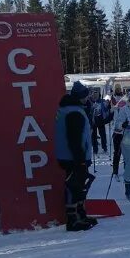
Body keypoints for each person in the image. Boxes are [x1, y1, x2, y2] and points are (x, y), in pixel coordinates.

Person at [54, 81, 97, 231]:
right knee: (74, 186)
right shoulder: (74, 112)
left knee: (79, 186)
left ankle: (81, 214)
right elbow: (75, 139)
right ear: (80, 97)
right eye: (85, 96)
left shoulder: (67, 109)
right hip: (73, 157)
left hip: (68, 155)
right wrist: (80, 161)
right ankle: (73, 219)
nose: (87, 98)